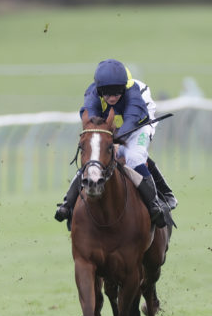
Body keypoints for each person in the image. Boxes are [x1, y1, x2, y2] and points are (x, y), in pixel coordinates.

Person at [54, 59, 174, 229]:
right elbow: (90, 118)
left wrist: (116, 143)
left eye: (116, 93)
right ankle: (67, 203)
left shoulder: (133, 94)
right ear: (99, 90)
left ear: (123, 88)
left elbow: (131, 121)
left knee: (133, 156)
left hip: (140, 123)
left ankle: (155, 203)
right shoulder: (93, 94)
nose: (111, 97)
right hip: (113, 126)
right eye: (107, 93)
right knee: (94, 158)